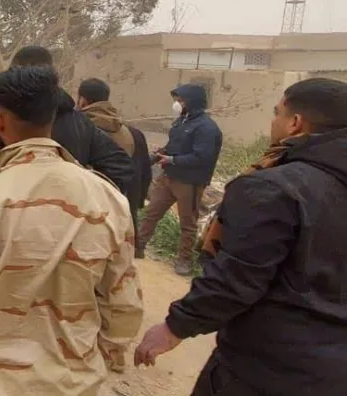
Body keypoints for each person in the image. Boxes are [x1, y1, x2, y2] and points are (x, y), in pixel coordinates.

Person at [0, 66, 143, 396]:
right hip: (78, 384)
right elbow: (123, 304)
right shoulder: (107, 200)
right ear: (52, 118)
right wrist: (99, 361)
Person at [135, 78, 347, 396]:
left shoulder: (275, 187)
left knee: (187, 223)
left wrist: (175, 326)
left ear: (295, 122)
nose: (272, 121)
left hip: (268, 368)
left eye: (277, 112)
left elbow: (237, 277)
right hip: (332, 371)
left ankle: (181, 260)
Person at [0, 46, 133, 194]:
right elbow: (120, 167)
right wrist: (82, 202)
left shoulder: (3, 119)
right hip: (67, 222)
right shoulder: (80, 122)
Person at [135, 83, 222, 275]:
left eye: (181, 100)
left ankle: (184, 261)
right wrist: (163, 153)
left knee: (188, 224)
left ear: (193, 102)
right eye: (177, 100)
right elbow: (175, 145)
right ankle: (138, 245)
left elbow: (202, 157)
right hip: (168, 178)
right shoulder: (182, 122)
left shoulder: (206, 128)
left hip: (189, 183)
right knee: (151, 213)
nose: (177, 104)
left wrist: (172, 159)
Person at [77, 78, 153, 233]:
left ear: (82, 101)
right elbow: (144, 173)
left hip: (87, 212)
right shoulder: (133, 133)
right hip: (122, 210)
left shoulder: (76, 128)